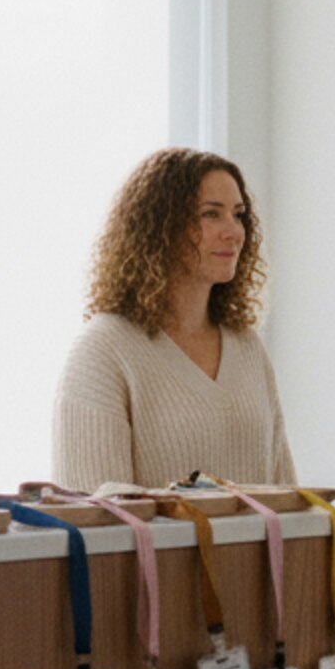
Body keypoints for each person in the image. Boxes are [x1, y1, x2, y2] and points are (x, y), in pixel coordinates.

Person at [52, 149, 296, 491]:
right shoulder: (104, 349)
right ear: (159, 228)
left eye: (238, 215)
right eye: (211, 214)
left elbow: (285, 493)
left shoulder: (247, 346)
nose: (233, 232)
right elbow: (96, 518)